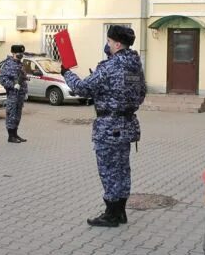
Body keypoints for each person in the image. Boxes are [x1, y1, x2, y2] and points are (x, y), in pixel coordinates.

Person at [61, 26, 146, 227]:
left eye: (108, 42)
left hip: (109, 126)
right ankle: (120, 212)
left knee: (108, 170)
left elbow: (82, 88)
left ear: (117, 44)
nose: (106, 45)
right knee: (122, 170)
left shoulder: (109, 67)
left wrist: (66, 73)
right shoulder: (135, 66)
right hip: (127, 124)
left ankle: (111, 214)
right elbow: (141, 94)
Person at [0, 44, 28, 143]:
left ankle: (15, 134)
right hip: (12, 94)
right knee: (11, 114)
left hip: (20, 94)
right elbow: (3, 79)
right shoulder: (8, 64)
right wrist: (13, 85)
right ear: (13, 53)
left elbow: (22, 78)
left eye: (21, 53)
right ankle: (10, 136)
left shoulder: (20, 64)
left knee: (17, 115)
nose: (20, 54)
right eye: (18, 53)